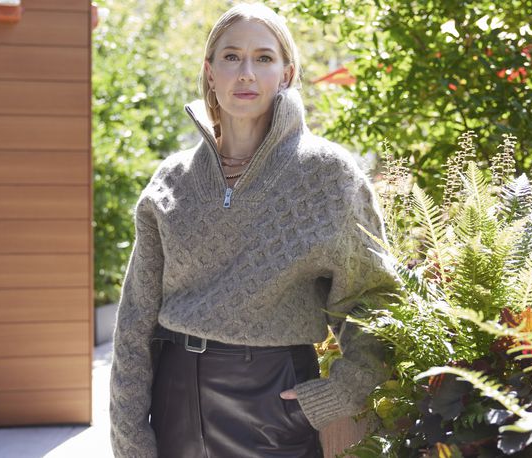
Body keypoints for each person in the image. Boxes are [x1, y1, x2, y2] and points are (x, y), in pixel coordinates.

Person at [109, 3, 398, 457]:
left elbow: (377, 301)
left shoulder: (328, 176)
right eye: (231, 57)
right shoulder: (172, 179)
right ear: (210, 72)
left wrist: (336, 395)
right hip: (173, 401)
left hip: (274, 403)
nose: (246, 73)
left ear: (287, 73)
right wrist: (129, 436)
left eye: (263, 58)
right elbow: (134, 323)